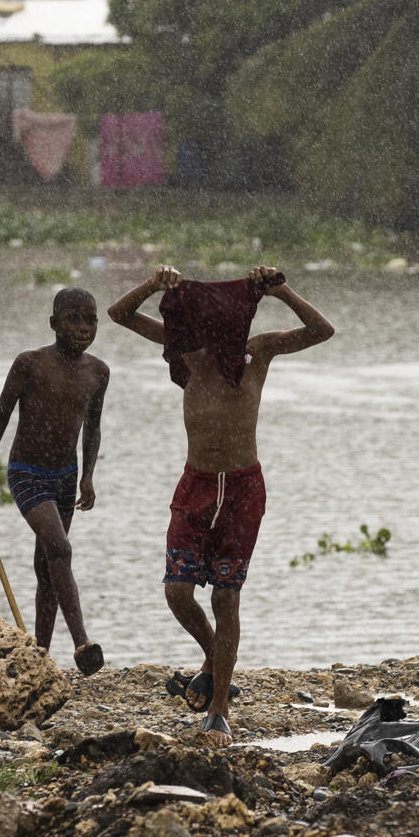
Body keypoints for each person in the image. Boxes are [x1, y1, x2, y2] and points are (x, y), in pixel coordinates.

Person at [107, 264, 334, 744]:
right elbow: (119, 314)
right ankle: (214, 657)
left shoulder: (260, 350)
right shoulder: (185, 353)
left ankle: (218, 708)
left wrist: (281, 291)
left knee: (226, 596)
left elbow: (322, 330)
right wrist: (153, 285)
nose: (216, 329)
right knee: (177, 592)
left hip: (244, 488)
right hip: (196, 484)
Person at [0, 287, 110, 675]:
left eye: (90, 319)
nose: (83, 328)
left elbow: (92, 429)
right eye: (73, 319)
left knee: (48, 570)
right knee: (60, 550)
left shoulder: (98, 372)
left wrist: (88, 478)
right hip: (27, 473)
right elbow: (0, 417)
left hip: (66, 476)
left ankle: (40, 658)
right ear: (53, 323)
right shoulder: (29, 364)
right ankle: (82, 643)